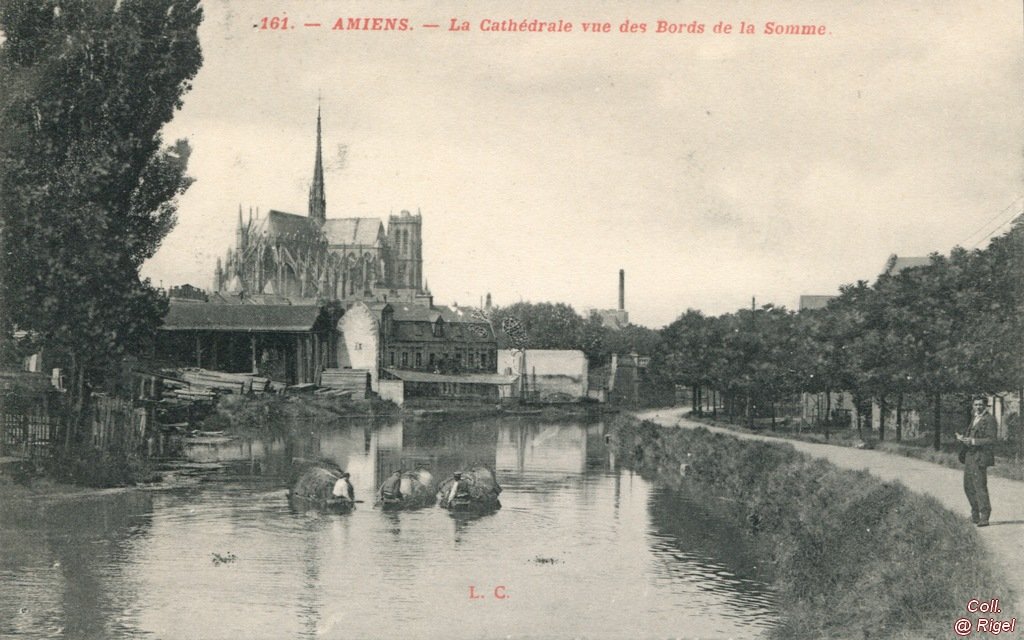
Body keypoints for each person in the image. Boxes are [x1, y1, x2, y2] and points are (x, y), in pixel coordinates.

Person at [956, 397, 998, 527]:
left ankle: (984, 517)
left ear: (985, 406)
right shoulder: (975, 417)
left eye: (981, 404)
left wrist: (973, 442)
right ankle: (975, 515)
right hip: (969, 456)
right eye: (976, 404)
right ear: (973, 406)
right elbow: (972, 435)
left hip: (980, 457)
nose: (978, 407)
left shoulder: (990, 420)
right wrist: (963, 439)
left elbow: (992, 440)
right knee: (968, 486)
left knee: (979, 486)